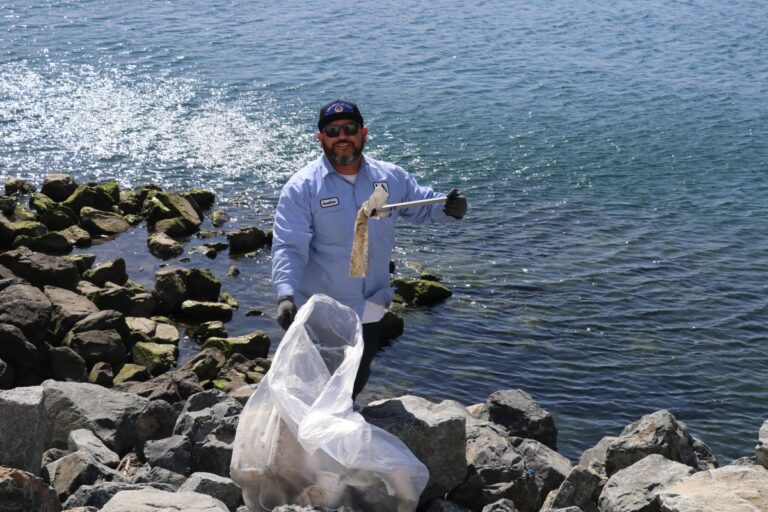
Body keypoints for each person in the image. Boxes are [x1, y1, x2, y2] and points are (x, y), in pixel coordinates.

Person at [271, 99, 467, 399]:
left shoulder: (390, 177)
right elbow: (289, 245)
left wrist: (450, 207)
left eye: (349, 129)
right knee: (318, 394)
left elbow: (424, 205)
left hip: (370, 310)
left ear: (364, 133)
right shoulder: (301, 188)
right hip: (323, 314)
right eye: (333, 131)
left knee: (354, 386)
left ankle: (337, 439)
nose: (342, 137)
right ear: (320, 138)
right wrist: (285, 294)